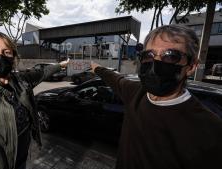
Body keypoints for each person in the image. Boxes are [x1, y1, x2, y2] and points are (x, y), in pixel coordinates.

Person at [91, 25, 222, 169]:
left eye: (171, 56)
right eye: (149, 55)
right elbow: (112, 77)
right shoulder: (135, 92)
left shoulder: (210, 129)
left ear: (191, 67)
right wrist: (93, 66)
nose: (156, 64)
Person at [0, 31, 69, 169]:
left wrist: (61, 65)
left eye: (6, 52)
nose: (0, 56)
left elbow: (42, 72)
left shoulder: (21, 81)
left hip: (21, 159)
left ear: (13, 58)